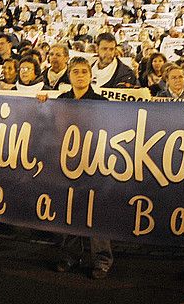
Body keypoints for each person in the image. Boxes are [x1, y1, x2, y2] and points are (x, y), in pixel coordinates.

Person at [52, 56, 112, 278]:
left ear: (90, 75)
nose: (80, 75)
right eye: (75, 71)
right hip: (67, 165)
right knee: (70, 210)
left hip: (94, 164)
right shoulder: (61, 100)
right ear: (69, 76)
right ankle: (70, 255)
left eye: (84, 71)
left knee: (96, 213)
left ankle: (102, 260)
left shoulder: (101, 102)